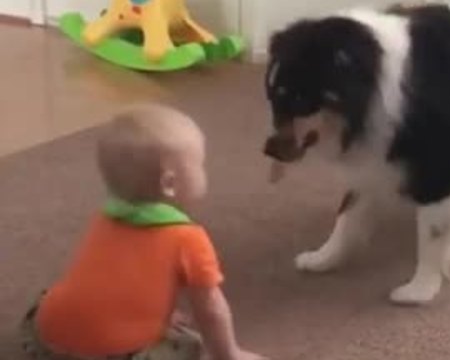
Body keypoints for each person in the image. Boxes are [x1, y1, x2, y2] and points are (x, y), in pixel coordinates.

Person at [21, 104, 267, 360]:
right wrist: (229, 354)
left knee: (61, 295)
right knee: (192, 346)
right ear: (169, 184)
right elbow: (210, 311)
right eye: (200, 164)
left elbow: (121, 279)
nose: (204, 170)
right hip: (111, 353)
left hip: (46, 337)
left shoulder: (105, 217)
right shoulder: (188, 238)